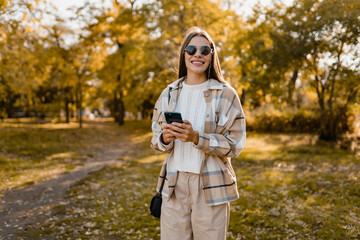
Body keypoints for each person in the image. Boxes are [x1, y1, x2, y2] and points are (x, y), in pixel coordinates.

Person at [151, 26, 246, 240]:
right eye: (191, 49)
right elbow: (155, 138)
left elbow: (235, 144)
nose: (197, 55)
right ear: (184, 53)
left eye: (205, 50)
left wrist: (197, 138)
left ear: (212, 55)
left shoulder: (226, 94)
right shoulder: (168, 93)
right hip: (174, 185)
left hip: (211, 186)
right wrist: (164, 138)